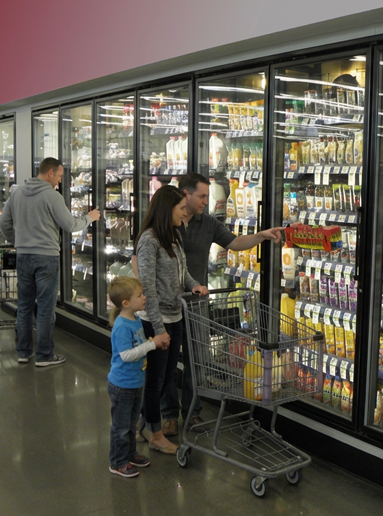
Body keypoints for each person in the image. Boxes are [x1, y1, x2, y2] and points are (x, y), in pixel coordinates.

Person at [172, 172, 284, 434]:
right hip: (168, 301)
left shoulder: (207, 222)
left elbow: (234, 242)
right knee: (165, 363)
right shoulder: (167, 222)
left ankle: (191, 413)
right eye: (201, 196)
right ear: (185, 195)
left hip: (196, 301)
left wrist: (262, 236)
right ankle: (167, 415)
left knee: (195, 361)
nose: (205, 201)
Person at [0, 157, 100, 367]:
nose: (60, 181)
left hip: (23, 256)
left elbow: (4, 222)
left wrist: (17, 241)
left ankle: (23, 352)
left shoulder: (16, 193)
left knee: (24, 306)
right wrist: (89, 217)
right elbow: (70, 224)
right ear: (50, 173)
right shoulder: (52, 196)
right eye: (60, 176)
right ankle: (44, 355)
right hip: (46, 257)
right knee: (45, 308)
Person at [135, 185, 207, 452]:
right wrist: (157, 330)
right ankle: (155, 437)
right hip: (156, 320)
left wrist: (194, 285)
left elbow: (183, 272)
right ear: (167, 210)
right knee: (155, 381)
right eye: (180, 208)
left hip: (176, 316)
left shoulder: (175, 236)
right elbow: (149, 290)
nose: (184, 212)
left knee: (165, 380)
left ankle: (141, 423)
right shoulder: (149, 241)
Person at [106, 276, 160, 478]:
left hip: (136, 382)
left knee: (130, 425)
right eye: (140, 295)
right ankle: (117, 462)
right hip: (122, 385)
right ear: (126, 303)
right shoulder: (121, 326)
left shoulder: (135, 319)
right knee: (120, 427)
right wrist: (152, 344)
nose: (144, 297)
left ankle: (129, 454)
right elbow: (127, 355)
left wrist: (150, 343)